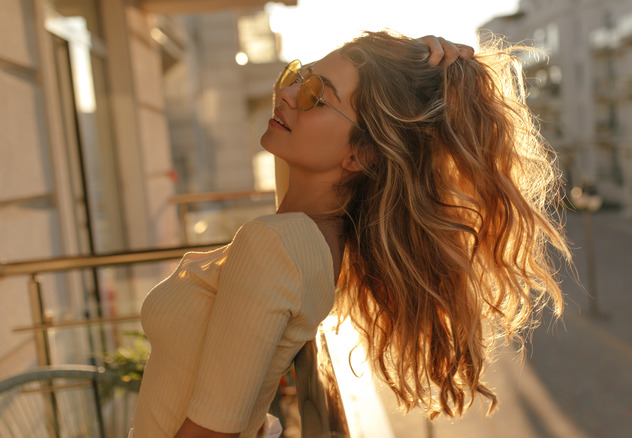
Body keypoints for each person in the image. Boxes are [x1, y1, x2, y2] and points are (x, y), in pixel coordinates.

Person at [131, 31, 569, 438]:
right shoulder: (315, 233)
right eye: (299, 78)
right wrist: (418, 65)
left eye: (314, 96)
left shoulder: (277, 244)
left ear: (360, 154)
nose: (284, 93)